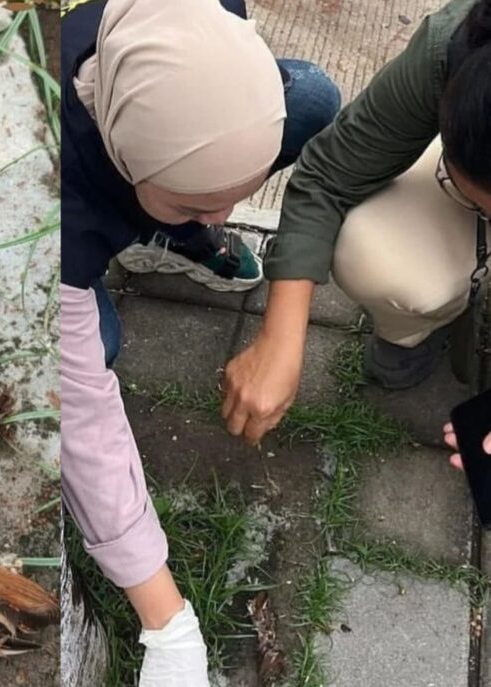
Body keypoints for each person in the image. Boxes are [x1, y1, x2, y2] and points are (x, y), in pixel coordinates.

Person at [60, 0, 340, 684]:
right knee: (95, 341)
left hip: (151, 156)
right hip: (77, 223)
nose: (229, 218)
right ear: (127, 162)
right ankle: (149, 233)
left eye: (235, 196)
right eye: (197, 206)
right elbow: (85, 425)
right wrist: (166, 620)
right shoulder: (52, 204)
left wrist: (285, 327)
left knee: (314, 100)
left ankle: (168, 228)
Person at [222, 0, 491, 455]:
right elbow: (327, 176)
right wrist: (281, 339)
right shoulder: (453, 49)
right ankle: (421, 328)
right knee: (369, 252)